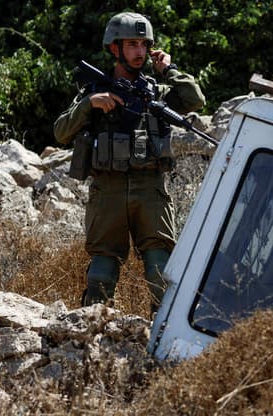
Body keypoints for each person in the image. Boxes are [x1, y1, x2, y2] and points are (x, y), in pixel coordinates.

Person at [53, 12, 205, 312]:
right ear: (114, 48)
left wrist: (168, 69)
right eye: (132, 44)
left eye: (144, 45)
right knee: (101, 273)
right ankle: (93, 335)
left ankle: (162, 336)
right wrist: (89, 104)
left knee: (160, 268)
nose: (140, 52)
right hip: (108, 189)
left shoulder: (156, 93)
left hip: (150, 187)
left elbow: (195, 99)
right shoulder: (94, 90)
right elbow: (60, 132)